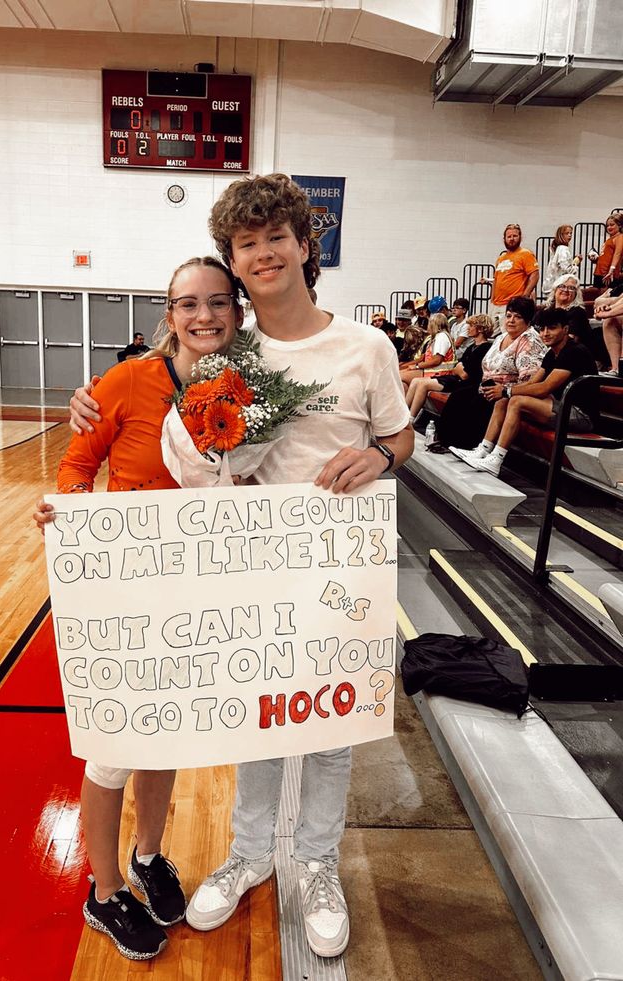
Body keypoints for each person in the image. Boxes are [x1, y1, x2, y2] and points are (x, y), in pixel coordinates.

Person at [69, 173, 414, 959]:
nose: (262, 254)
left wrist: (379, 454)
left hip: (337, 566)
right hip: (250, 570)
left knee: (329, 728)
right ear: (233, 259)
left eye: (275, 238)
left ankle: (316, 862)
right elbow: (159, 404)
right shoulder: (233, 345)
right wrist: (85, 401)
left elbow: (403, 438)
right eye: (245, 244)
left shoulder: (366, 347)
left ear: (304, 245)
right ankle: (250, 852)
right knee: (256, 722)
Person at [34, 256, 243, 962]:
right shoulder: (127, 381)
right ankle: (103, 886)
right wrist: (71, 513)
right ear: (169, 313)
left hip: (200, 592)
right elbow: (76, 463)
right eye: (189, 303)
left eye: (218, 302)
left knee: (168, 735)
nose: (203, 315)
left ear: (237, 311)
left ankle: (150, 855)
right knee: (115, 746)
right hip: (128, 592)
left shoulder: (254, 387)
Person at [460, 307, 598, 477]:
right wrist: (506, 393)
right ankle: (484, 450)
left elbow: (544, 388)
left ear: (566, 329)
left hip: (581, 415)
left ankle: (496, 459)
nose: (545, 333)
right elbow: (533, 382)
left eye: (552, 328)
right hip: (561, 406)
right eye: (542, 329)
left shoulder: (574, 352)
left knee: (516, 401)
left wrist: (506, 390)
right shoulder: (551, 353)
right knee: (504, 401)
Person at [440, 296, 546, 452]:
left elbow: (529, 380)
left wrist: (502, 389)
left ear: (527, 321)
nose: (511, 320)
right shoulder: (501, 337)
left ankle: (469, 446)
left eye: (518, 317)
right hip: (488, 385)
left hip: (508, 391)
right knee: (458, 396)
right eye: (509, 315)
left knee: (477, 403)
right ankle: (447, 442)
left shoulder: (530, 342)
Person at [405, 314, 494, 424]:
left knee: (423, 384)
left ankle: (410, 420)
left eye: (471, 326)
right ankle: (403, 415)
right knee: (415, 381)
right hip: (454, 377)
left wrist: (459, 369)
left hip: (464, 384)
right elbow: (457, 368)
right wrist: (459, 368)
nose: (468, 328)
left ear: (480, 329)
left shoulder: (485, 348)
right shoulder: (471, 347)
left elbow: (464, 374)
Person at [481, 224, 539, 333]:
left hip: (512, 304)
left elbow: (534, 274)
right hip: (496, 304)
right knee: (489, 333)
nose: (511, 239)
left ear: (520, 237)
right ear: (504, 239)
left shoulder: (526, 254)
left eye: (514, 236)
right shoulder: (501, 258)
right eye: (509, 236)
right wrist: (492, 300)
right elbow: (496, 279)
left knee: (510, 334)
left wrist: (524, 296)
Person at [399, 313, 454, 388]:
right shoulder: (435, 338)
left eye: (429, 323)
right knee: (402, 383)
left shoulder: (441, 337)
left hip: (439, 374)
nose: (428, 326)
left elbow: (436, 360)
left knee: (398, 377)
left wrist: (416, 366)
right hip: (430, 371)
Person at [542, 224, 581, 297]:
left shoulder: (557, 248)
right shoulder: (563, 249)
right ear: (561, 235)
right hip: (558, 284)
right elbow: (567, 269)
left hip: (551, 284)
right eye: (567, 233)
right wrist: (576, 263)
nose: (569, 235)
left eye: (571, 233)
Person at [591, 213, 623, 290]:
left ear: (620, 225)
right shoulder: (610, 239)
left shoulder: (620, 237)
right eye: (607, 225)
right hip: (600, 272)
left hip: (608, 274)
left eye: (612, 225)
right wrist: (596, 259)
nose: (609, 227)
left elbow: (617, 254)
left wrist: (611, 270)